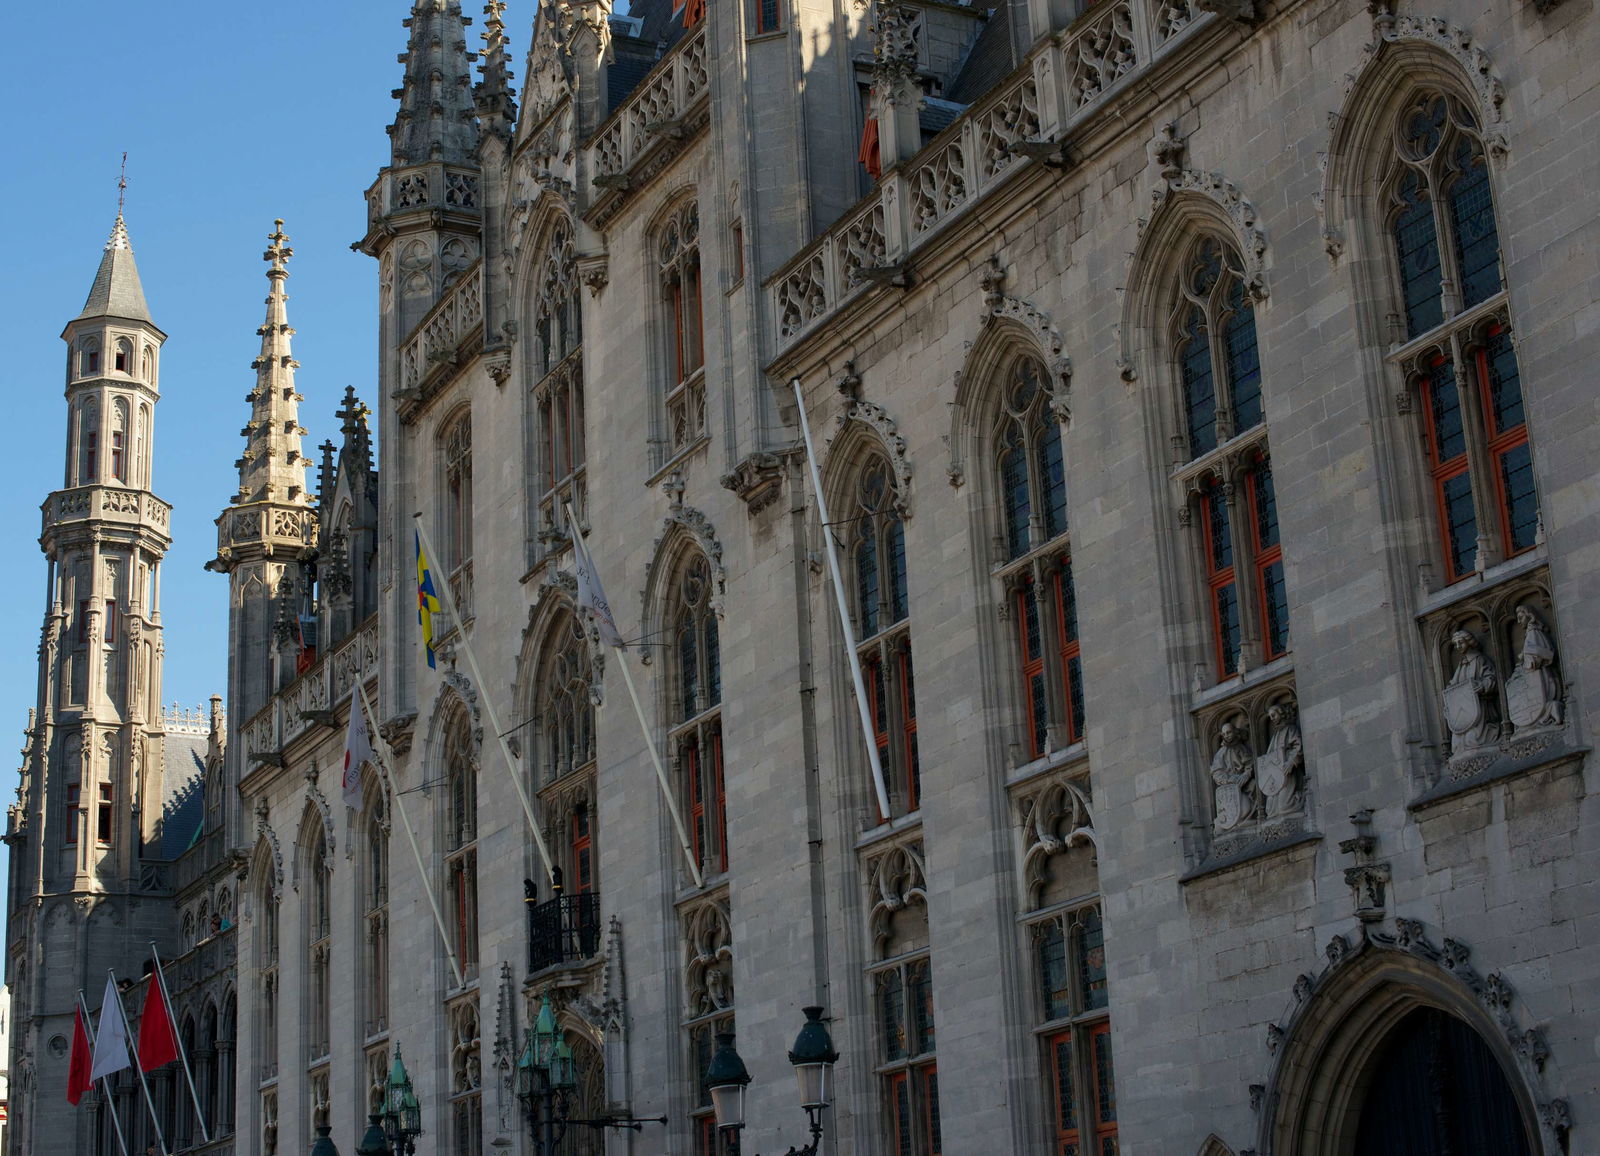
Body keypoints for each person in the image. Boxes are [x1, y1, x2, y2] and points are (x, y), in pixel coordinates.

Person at [1210, 721, 1254, 831]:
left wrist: (1245, 775)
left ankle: (1251, 816)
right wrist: (1229, 780)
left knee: (1254, 786)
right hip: (1229, 785)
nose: (1226, 736)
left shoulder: (1241, 748)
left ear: (1235, 732)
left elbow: (1250, 764)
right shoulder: (1221, 753)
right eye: (1224, 734)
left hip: (1243, 783)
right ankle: (1230, 822)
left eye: (1229, 732)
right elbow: (1216, 772)